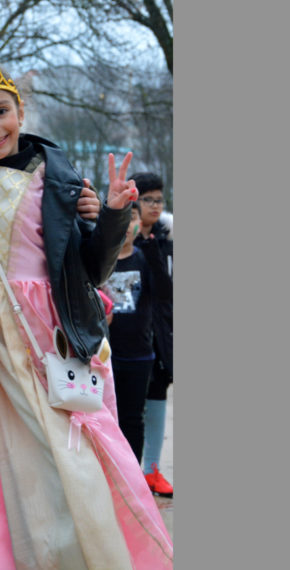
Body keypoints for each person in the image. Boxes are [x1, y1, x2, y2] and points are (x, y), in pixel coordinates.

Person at [0, 54, 174, 569]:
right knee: (12, 462)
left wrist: (113, 213)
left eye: (0, 111)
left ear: (20, 111)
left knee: (73, 455)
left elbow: (90, 268)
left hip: (51, 336)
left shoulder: (56, 175)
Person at [104, 200, 172, 469]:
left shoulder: (145, 256)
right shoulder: (99, 258)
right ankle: (110, 474)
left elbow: (165, 294)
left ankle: (133, 474)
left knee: (133, 419)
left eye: (132, 217)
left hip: (139, 355)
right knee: (108, 418)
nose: (127, 224)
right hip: (106, 356)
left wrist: (155, 253)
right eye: (120, 218)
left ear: (139, 223)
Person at [129, 171, 174, 497]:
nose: (155, 206)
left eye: (159, 199)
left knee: (157, 396)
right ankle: (128, 471)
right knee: (130, 408)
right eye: (148, 199)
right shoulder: (115, 238)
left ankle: (152, 471)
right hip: (127, 339)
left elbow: (166, 291)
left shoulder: (165, 239)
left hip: (162, 332)